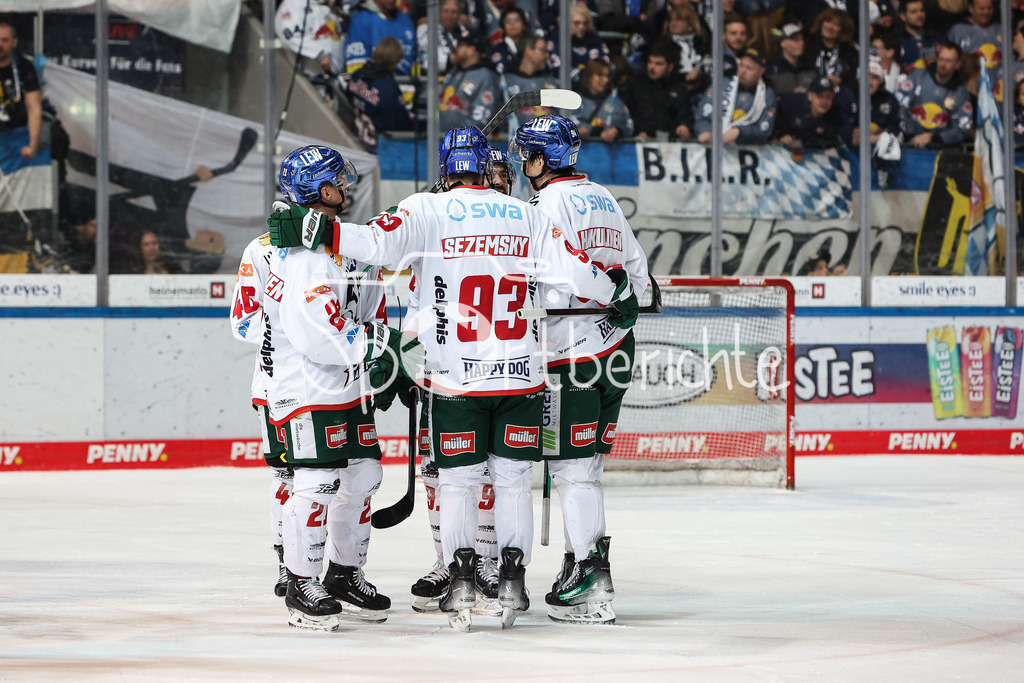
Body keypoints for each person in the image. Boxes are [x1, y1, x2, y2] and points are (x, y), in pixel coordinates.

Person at [265, 126, 639, 632]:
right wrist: (616, 288)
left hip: (455, 378)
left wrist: (315, 229)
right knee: (511, 483)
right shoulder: (527, 213)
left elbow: (372, 242)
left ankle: (461, 580)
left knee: (459, 482)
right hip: (522, 375)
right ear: (487, 165)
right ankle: (511, 580)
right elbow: (578, 272)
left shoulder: (426, 209)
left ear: (446, 167)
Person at [509, 114, 648, 625]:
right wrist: (625, 295)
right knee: (587, 467)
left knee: (571, 467)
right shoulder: (604, 196)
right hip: (617, 349)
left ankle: (591, 574)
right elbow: (641, 275)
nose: (524, 166)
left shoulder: (545, 204)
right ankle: (580, 565)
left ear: (542, 160)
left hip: (573, 353)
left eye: (527, 156)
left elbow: (566, 267)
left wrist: (610, 291)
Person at [263, 145, 395, 631]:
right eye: (339, 179)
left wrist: (383, 354)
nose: (347, 186)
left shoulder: (335, 244)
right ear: (322, 190)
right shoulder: (305, 257)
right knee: (316, 482)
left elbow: (366, 307)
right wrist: (382, 349)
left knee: (363, 476)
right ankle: (301, 581)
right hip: (309, 388)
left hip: (345, 385)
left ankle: (343, 573)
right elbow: (319, 334)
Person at [229, 212, 294, 602]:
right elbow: (241, 321)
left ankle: (341, 569)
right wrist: (295, 339)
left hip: (337, 387)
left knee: (342, 481)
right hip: (278, 386)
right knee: (289, 477)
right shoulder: (261, 249)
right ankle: (290, 563)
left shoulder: (344, 244)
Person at [896, 42, 973, 148]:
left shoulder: (961, 92)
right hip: (910, 142)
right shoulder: (918, 76)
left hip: (941, 149)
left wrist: (934, 138)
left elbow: (961, 127)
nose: (943, 64)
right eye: (941, 59)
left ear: (957, 64)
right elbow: (899, 105)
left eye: (948, 61)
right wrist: (909, 134)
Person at [694, 48, 777, 146]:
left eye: (749, 68)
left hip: (746, 149)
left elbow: (765, 130)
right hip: (712, 145)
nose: (743, 71)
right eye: (741, 65)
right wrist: (705, 131)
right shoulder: (721, 84)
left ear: (761, 71)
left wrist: (740, 132)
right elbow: (702, 116)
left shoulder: (767, 95)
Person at [347, 37, 415, 152]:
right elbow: (402, 125)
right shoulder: (388, 89)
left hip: (355, 141)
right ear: (394, 62)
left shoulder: (356, 75)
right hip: (378, 150)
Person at [618, 40, 692, 140]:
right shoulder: (634, 85)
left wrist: (684, 127)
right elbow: (623, 116)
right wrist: (637, 133)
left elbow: (685, 116)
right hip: (635, 143)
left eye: (658, 64)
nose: (652, 67)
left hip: (670, 147)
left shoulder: (679, 89)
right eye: (650, 62)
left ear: (670, 67)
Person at [439, 31, 503, 131]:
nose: (455, 48)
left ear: (472, 49)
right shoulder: (454, 70)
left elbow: (481, 117)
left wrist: (458, 136)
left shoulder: (486, 75)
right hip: (438, 139)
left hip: (464, 142)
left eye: (460, 45)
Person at [774, 76, 855, 151]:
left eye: (828, 97)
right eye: (820, 96)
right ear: (810, 96)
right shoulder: (792, 104)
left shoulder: (834, 113)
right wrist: (782, 135)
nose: (824, 101)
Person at [0, 21, 41, 161]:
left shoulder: (24, 67)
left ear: (14, 42)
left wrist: (32, 146)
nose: (0, 44)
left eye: (4, 40)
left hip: (17, 134)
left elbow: (34, 108)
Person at [345, 0, 417, 76]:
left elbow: (414, 60)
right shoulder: (361, 20)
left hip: (407, 84)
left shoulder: (406, 21)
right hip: (373, 84)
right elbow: (356, 67)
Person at [571, 60, 634, 142]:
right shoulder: (573, 100)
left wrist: (617, 132)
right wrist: (596, 132)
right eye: (600, 75)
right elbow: (567, 125)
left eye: (607, 76)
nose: (606, 80)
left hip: (608, 153)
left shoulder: (615, 102)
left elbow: (629, 127)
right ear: (588, 76)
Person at [804, 8, 859, 92]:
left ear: (843, 29)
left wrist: (840, 80)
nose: (830, 27)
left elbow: (853, 80)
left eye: (836, 25)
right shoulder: (808, 45)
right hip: (813, 93)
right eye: (828, 21)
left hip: (839, 95)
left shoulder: (850, 52)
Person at [946, 0, 1001, 74]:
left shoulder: (1001, 29)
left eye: (989, 8)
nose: (986, 12)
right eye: (982, 9)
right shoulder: (957, 31)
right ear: (971, 8)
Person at [416, 0, 467, 75]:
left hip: (458, 77)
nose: (449, 16)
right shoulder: (425, 30)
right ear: (438, 12)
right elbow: (427, 60)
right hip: (430, 78)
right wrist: (452, 60)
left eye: (453, 12)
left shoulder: (465, 33)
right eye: (445, 11)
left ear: (459, 15)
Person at [766, 21, 817, 95]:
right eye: (796, 39)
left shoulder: (810, 64)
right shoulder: (772, 68)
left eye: (802, 39)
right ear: (783, 43)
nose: (802, 43)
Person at [899, 0, 943, 74]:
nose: (920, 15)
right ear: (903, 16)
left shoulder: (937, 38)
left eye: (922, 10)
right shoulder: (897, 42)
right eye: (914, 12)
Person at [487, 7, 530, 75]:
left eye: (516, 19)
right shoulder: (497, 50)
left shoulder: (533, 46)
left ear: (524, 25)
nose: (512, 23)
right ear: (503, 27)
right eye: (507, 21)